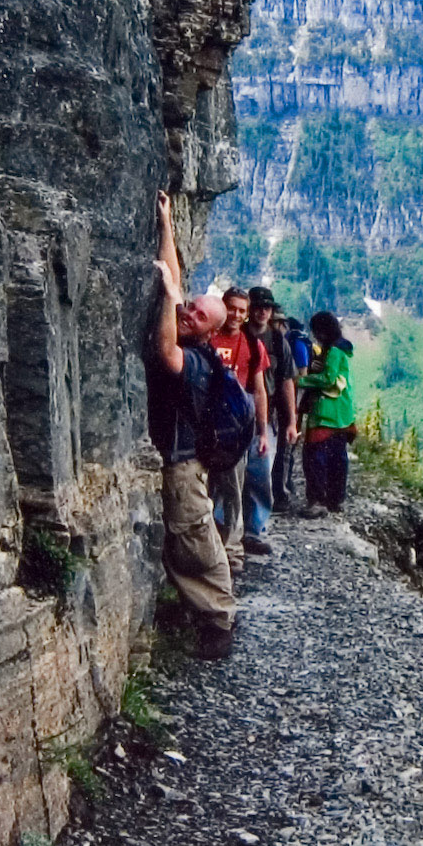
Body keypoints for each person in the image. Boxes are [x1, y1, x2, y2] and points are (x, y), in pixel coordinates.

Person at [147, 191, 236, 660]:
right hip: (177, 462)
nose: (188, 313)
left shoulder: (199, 363)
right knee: (184, 541)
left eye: (198, 315)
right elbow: (176, 279)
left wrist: (167, 298)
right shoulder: (194, 328)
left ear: (208, 331)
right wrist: (166, 223)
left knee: (196, 543)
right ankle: (203, 617)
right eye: (191, 308)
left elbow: (166, 351)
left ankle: (219, 623)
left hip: (184, 468)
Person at [207, 287, 271, 573]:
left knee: (233, 489)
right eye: (231, 308)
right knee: (205, 488)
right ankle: (208, 548)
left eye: (241, 311)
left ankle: (232, 551)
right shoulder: (207, 335)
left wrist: (262, 431)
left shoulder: (253, 345)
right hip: (204, 423)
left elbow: (259, 390)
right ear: (223, 307)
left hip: (235, 428)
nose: (236, 315)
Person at [245, 287, 298, 535]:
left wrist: (291, 422)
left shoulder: (278, 341)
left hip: (268, 416)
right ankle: (233, 529)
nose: (263, 311)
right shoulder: (239, 335)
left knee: (261, 471)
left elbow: (287, 382)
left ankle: (255, 528)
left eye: (267, 307)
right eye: (258, 306)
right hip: (237, 413)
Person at [295, 310, 356, 516]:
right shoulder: (342, 350)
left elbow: (328, 379)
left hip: (325, 413)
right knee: (338, 458)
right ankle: (335, 499)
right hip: (343, 414)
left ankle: (317, 501)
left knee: (315, 457)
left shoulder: (333, 352)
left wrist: (301, 381)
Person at [272, 303, 312, 511]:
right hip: (284, 401)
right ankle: (282, 488)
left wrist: (293, 407)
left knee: (286, 447)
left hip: (291, 401)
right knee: (284, 448)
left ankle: (282, 491)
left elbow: (301, 377)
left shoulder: (293, 345)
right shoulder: (290, 342)